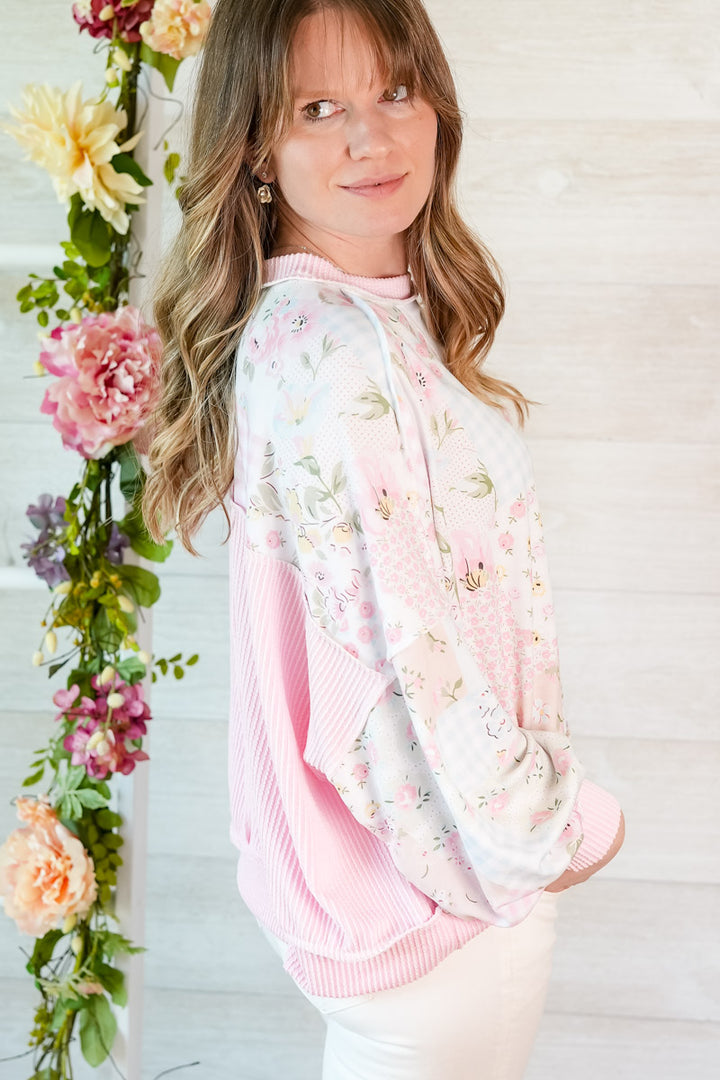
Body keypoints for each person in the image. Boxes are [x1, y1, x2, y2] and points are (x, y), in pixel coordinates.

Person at [141, 1, 626, 1077]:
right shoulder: (338, 357)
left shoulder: (326, 325)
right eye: (319, 108)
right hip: (439, 916)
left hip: (390, 918)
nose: (371, 136)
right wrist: (561, 826)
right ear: (257, 147)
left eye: (393, 91)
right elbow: (411, 672)